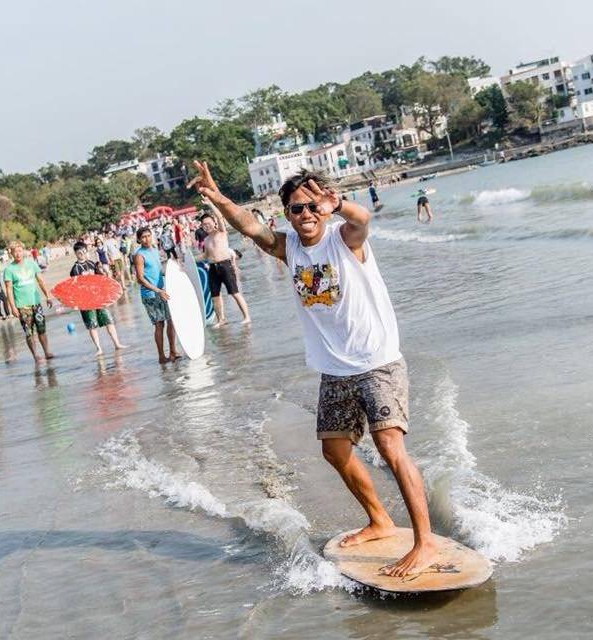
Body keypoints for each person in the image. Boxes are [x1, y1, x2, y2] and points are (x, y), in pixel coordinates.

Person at [187, 161, 437, 577]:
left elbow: (362, 219)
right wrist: (218, 197)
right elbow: (250, 227)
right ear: (286, 213)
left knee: (391, 448)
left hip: (376, 361)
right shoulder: (290, 248)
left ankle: (424, 542)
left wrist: (336, 204)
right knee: (334, 451)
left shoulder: (345, 239)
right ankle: (380, 521)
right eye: (296, 209)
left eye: (311, 206)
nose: (305, 215)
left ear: (324, 206)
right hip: (335, 369)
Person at [196, 199, 251, 327]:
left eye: (209, 223)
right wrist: (189, 260)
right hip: (213, 268)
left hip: (225, 265)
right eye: (204, 225)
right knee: (215, 295)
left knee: (234, 293)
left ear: (214, 223)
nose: (207, 226)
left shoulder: (221, 232)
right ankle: (221, 319)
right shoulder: (207, 239)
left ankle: (246, 317)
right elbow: (205, 255)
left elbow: (220, 216)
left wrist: (209, 203)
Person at [3, 241, 56, 363]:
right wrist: (13, 307)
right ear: (11, 253)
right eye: (15, 251)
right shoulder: (9, 270)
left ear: (23, 251)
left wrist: (47, 296)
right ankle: (36, 355)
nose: (18, 254)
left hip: (35, 302)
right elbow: (9, 290)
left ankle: (47, 351)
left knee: (41, 329)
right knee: (29, 332)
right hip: (22, 305)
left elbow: (40, 280)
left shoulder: (31, 264)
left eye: (20, 251)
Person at [70, 242, 126, 356]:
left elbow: (100, 278)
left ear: (86, 252)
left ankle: (117, 343)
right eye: (79, 253)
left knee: (109, 320)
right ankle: (99, 348)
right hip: (86, 301)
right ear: (76, 253)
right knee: (92, 325)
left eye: (84, 252)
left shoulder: (92, 263)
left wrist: (104, 273)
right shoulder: (75, 269)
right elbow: (75, 286)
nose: (82, 254)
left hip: (98, 298)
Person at [133, 227, 179, 363]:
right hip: (150, 295)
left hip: (162, 292)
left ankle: (173, 351)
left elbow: (158, 271)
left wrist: (174, 273)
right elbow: (140, 278)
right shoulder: (139, 255)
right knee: (159, 324)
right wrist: (157, 291)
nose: (147, 239)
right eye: (143, 237)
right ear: (139, 240)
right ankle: (161, 356)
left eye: (149, 236)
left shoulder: (154, 251)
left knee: (172, 321)